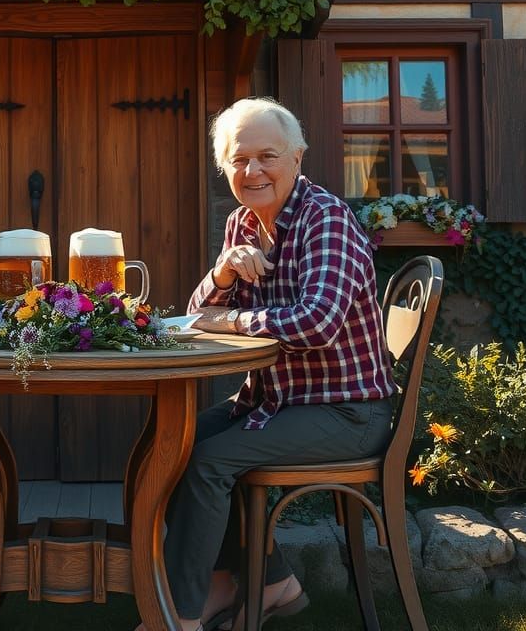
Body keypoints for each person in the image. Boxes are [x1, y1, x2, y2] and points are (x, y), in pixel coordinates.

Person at [145, 97, 396, 631]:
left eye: (267, 156)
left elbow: (317, 323)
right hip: (277, 402)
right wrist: (222, 276)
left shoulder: (325, 220)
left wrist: (233, 322)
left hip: (347, 412)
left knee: (209, 459)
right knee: (169, 442)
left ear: (297, 158)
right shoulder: (242, 222)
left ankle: (182, 615)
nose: (252, 170)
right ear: (225, 168)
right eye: (239, 160)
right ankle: (271, 582)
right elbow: (197, 318)